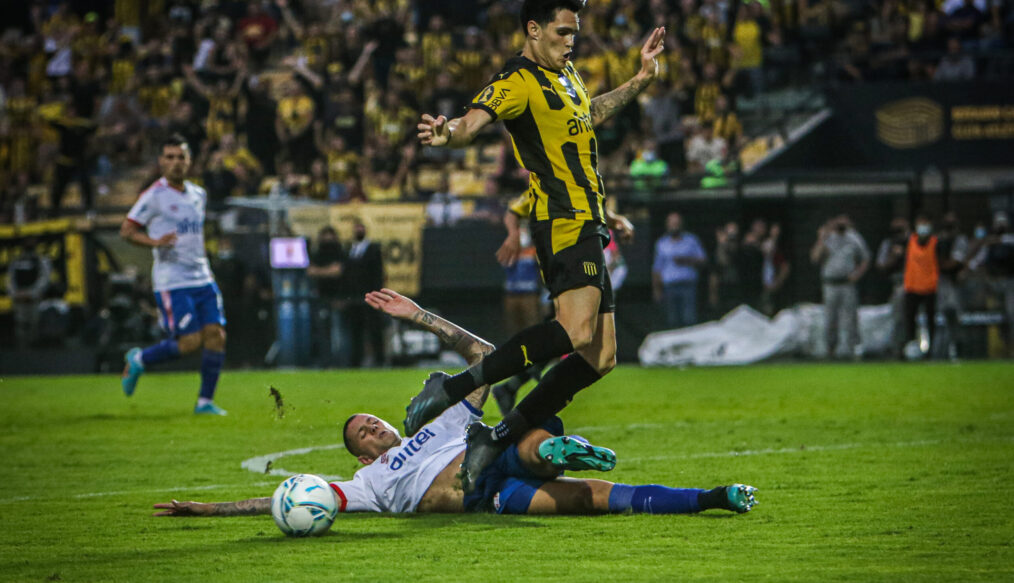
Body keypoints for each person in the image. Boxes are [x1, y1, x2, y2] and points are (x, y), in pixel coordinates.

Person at [154, 289, 758, 517]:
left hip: (494, 455)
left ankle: (557, 448)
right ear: (361, 458)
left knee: (515, 440)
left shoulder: (439, 416)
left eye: (370, 420)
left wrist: (420, 316)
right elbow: (281, 500)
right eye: (360, 434)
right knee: (589, 502)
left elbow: (487, 354)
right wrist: (206, 510)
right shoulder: (367, 487)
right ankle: (713, 498)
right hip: (490, 495)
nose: (370, 427)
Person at [411, 0, 666, 492]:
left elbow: (587, 116)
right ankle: (455, 387)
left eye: (575, 33)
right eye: (562, 31)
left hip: (589, 219)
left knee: (601, 356)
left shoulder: (567, 75)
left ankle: (498, 434)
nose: (571, 41)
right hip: (562, 222)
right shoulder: (518, 81)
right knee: (572, 333)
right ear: (533, 29)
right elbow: (470, 123)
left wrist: (641, 80)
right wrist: (449, 136)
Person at [119, 135, 228, 416]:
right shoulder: (153, 196)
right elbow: (127, 231)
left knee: (216, 335)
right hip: (173, 280)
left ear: (189, 161)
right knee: (189, 341)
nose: (176, 162)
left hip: (202, 276)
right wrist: (154, 243)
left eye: (181, 157)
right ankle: (140, 359)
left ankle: (205, 402)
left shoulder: (198, 194)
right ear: (161, 162)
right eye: (170, 157)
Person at [810, 215, 870, 359]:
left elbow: (865, 258)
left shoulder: (854, 237)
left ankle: (854, 348)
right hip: (830, 283)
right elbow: (815, 258)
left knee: (851, 317)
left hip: (847, 283)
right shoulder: (828, 238)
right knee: (830, 318)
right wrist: (821, 238)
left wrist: (857, 274)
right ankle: (831, 349)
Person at [653, 212, 707, 329]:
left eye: (677, 223)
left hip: (688, 285)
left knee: (689, 319)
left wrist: (687, 260)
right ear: (667, 225)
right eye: (672, 223)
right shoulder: (661, 243)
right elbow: (657, 268)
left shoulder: (692, 240)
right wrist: (657, 290)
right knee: (672, 321)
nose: (675, 226)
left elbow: (703, 260)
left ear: (682, 224)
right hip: (669, 287)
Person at [342, 221, 385, 367]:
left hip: (370, 296)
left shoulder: (373, 249)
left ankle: (380, 360)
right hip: (354, 298)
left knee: (374, 329)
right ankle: (356, 361)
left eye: (361, 227)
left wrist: (376, 295)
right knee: (356, 331)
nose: (358, 230)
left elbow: (378, 274)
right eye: (356, 227)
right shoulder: (350, 249)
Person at [306, 226, 345, 367]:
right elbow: (310, 271)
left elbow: (337, 271)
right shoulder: (318, 253)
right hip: (321, 297)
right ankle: (325, 361)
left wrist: (320, 271)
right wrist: (328, 271)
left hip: (337, 298)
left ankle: (340, 362)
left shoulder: (340, 252)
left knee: (338, 333)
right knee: (322, 332)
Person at [902, 215, 940, 358]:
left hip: (930, 287)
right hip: (912, 287)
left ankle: (932, 350)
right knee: (910, 321)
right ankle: (911, 349)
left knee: (931, 320)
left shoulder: (935, 243)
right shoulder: (910, 241)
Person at [7, 238, 53, 349]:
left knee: (35, 326)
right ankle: (22, 352)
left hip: (34, 299)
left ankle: (35, 354)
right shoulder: (16, 261)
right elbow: (10, 279)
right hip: (19, 299)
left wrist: (31, 293)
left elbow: (45, 278)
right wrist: (15, 293)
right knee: (20, 326)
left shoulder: (40, 260)